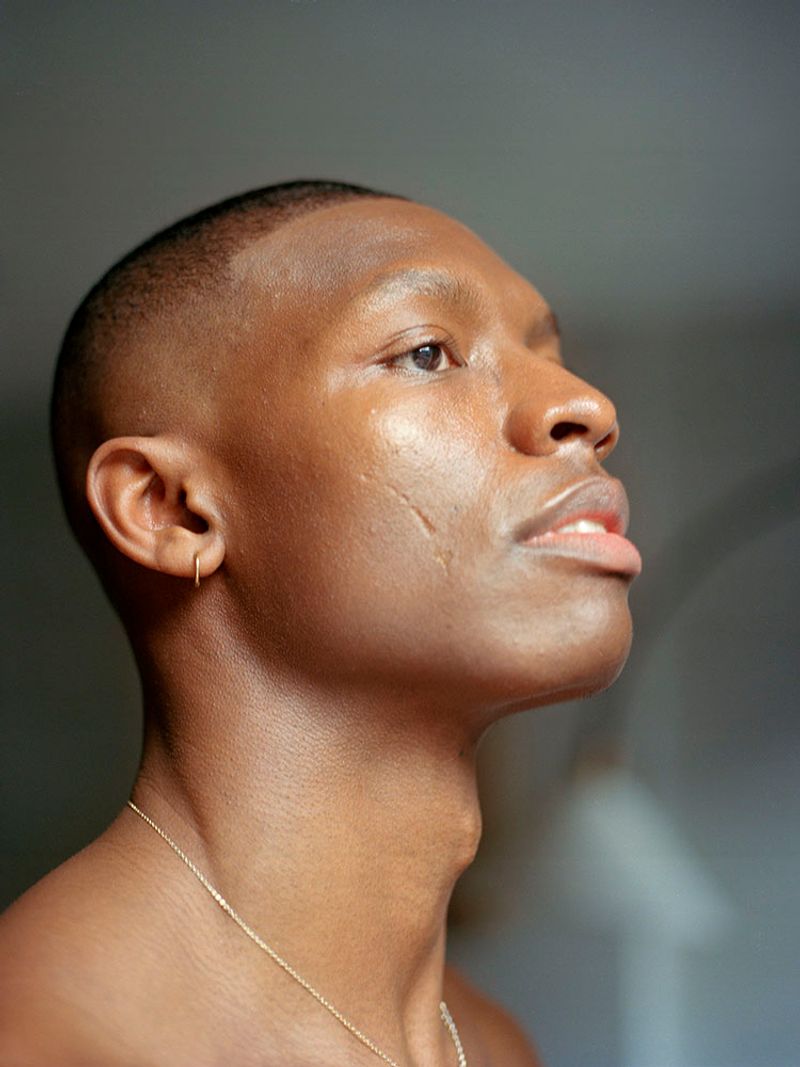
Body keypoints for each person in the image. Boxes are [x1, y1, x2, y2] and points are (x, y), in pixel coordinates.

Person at [0, 179, 641, 1066]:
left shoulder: (492, 1046)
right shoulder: (43, 1039)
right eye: (426, 351)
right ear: (171, 510)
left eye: (551, 352)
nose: (587, 407)